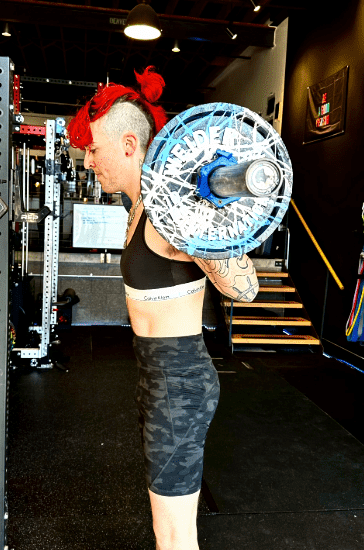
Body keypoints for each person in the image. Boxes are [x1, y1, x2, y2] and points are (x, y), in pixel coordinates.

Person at [67, 66, 258, 550]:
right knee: (166, 530)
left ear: (129, 145)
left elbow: (246, 289)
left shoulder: (173, 209)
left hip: (179, 381)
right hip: (158, 376)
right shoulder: (142, 206)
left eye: (93, 149)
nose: (88, 161)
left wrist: (206, 227)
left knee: (174, 537)